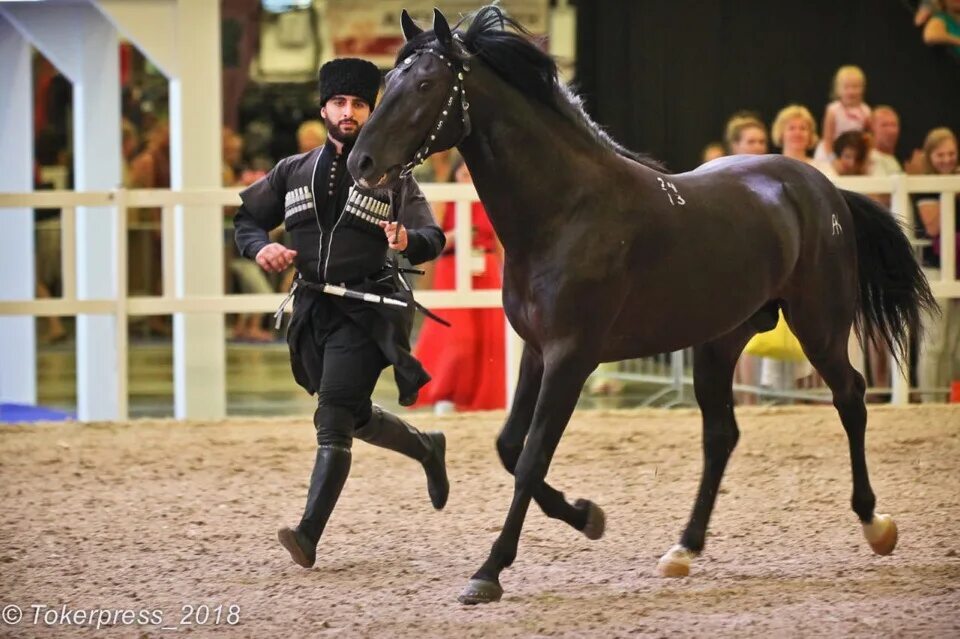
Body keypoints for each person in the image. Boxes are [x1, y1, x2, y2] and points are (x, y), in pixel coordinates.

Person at [233, 58, 449, 567]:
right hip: (311, 309)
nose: (347, 112)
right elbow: (247, 219)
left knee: (332, 415)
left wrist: (406, 238)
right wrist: (259, 247)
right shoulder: (292, 170)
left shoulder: (395, 176)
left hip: (367, 309)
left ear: (372, 110)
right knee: (351, 414)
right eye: (339, 103)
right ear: (324, 107)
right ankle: (425, 448)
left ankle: (308, 534)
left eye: (357, 104)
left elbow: (432, 238)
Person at [412, 159, 506, 412]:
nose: (469, 179)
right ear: (455, 176)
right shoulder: (444, 201)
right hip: (451, 270)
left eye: (472, 175)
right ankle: (445, 392)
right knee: (455, 337)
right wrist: (458, 235)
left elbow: (500, 246)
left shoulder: (492, 201)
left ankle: (480, 400)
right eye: (464, 174)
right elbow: (431, 240)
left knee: (489, 338)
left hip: (485, 271)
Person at [913, 127, 960, 400]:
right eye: (940, 154)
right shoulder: (924, 185)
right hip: (933, 269)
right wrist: (951, 192)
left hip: (957, 269)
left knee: (954, 344)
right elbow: (932, 226)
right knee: (934, 343)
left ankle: (951, 398)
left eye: (951, 153)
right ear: (931, 156)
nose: (946, 159)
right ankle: (931, 399)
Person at [815, 65, 872, 162]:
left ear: (862, 88)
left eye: (855, 87)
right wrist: (833, 159)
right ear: (838, 89)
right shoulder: (833, 110)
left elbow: (869, 136)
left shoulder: (866, 111)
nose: (851, 91)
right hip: (831, 153)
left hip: (855, 155)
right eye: (846, 87)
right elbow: (827, 139)